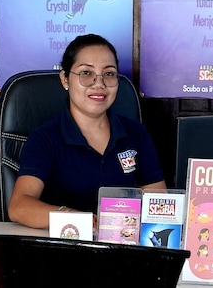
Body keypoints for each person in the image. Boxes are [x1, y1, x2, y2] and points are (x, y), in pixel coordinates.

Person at [8, 34, 167, 229]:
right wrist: (73, 218)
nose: (99, 84)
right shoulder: (45, 138)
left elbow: (158, 202)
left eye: (109, 74)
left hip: (123, 241)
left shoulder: (136, 134)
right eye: (86, 73)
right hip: (65, 241)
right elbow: (19, 206)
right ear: (65, 79)